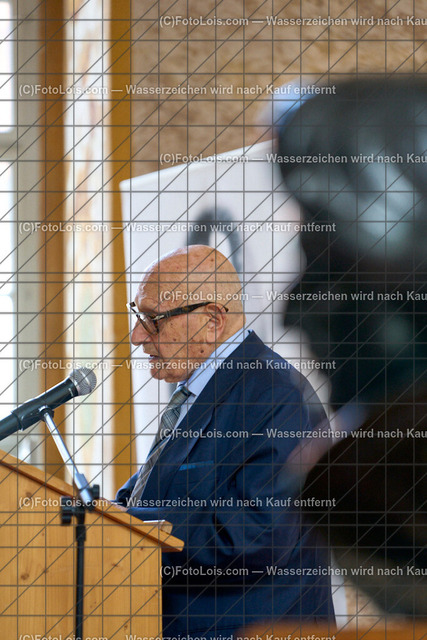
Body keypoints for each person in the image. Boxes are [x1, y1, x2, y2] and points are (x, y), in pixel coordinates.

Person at [116, 244, 335, 639]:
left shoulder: (275, 394)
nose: (136, 336)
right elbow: (156, 491)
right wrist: (108, 514)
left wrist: (124, 527)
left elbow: (255, 533)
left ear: (213, 320)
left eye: (153, 320)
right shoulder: (201, 388)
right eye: (137, 315)